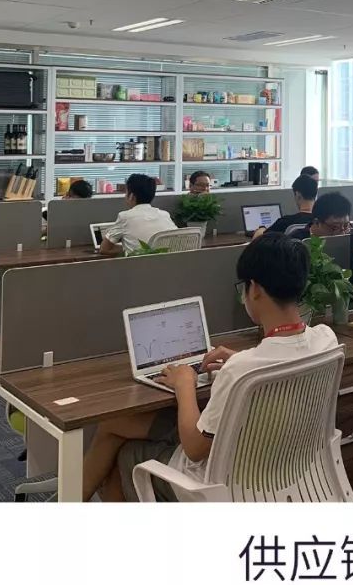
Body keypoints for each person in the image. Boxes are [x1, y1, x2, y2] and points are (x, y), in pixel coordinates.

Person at [81, 234, 339, 501]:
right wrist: (242, 359)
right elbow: (281, 356)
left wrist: (184, 384)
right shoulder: (326, 339)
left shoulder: (240, 369)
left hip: (221, 483)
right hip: (281, 467)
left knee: (127, 454)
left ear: (254, 289)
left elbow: (194, 449)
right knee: (117, 423)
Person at [100, 173, 177, 256]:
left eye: (126, 192)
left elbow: (104, 249)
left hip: (139, 264)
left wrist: (128, 250)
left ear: (131, 196)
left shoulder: (125, 217)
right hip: (166, 262)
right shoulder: (164, 215)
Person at [255, 174, 318, 238]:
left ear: (298, 195)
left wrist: (261, 229)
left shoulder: (285, 222)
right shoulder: (320, 222)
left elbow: (260, 240)